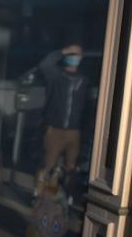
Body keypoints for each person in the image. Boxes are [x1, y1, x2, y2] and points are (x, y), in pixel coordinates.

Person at [34, 43, 94, 196]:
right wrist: (64, 51)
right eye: (71, 56)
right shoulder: (56, 76)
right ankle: (40, 194)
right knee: (49, 164)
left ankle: (66, 197)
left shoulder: (83, 80)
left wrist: (86, 129)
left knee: (71, 166)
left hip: (74, 132)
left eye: (77, 55)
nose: (74, 58)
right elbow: (44, 64)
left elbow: (88, 106)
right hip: (55, 129)